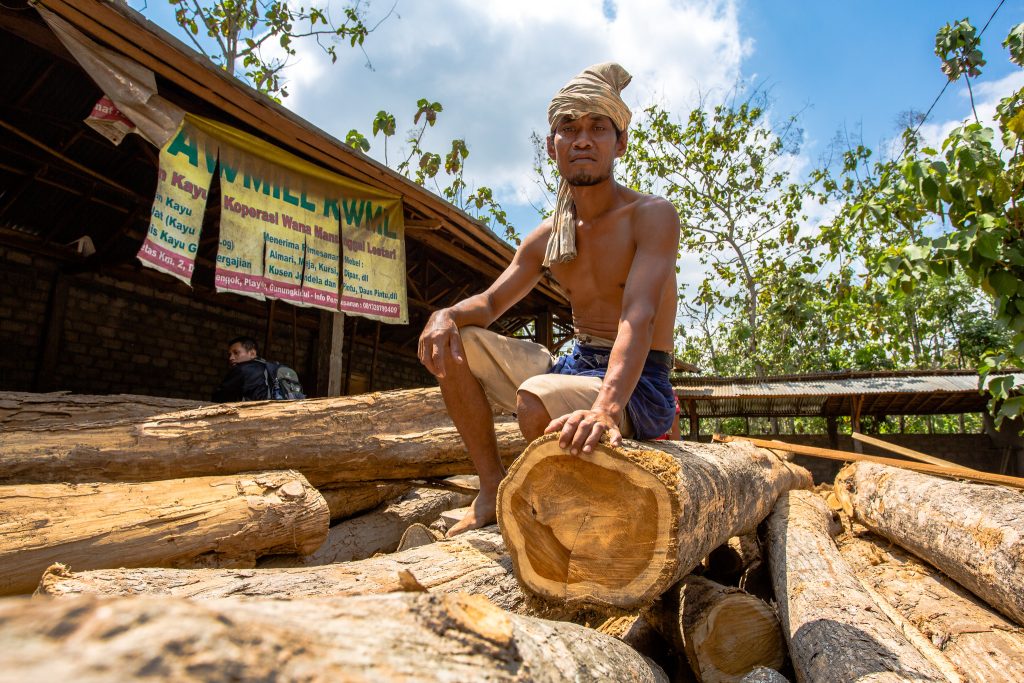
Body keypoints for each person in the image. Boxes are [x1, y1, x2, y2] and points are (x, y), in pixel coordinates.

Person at [418, 62, 680, 536]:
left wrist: (605, 408)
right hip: (573, 365)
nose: (583, 139)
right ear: (551, 146)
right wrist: (443, 314)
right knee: (455, 342)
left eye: (598, 128)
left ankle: (570, 520)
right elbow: (491, 304)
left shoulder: (652, 215)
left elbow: (637, 319)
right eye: (569, 128)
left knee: (534, 401)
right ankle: (490, 487)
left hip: (638, 384)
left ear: (620, 143)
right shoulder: (547, 237)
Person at [211, 335, 271, 402]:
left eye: (236, 353)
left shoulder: (242, 369)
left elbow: (219, 397)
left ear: (252, 353)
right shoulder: (268, 367)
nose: (231, 358)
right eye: (229, 354)